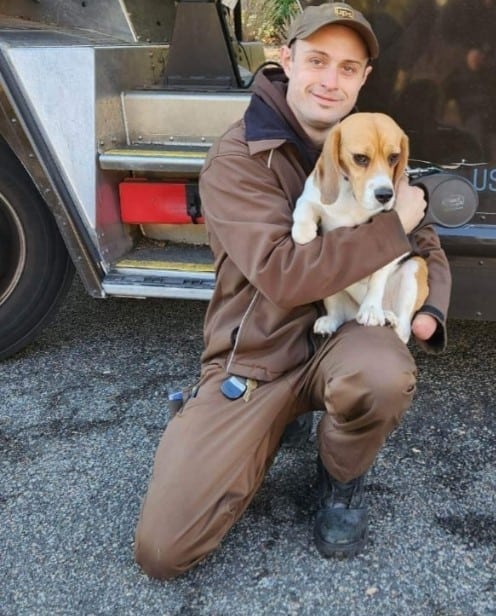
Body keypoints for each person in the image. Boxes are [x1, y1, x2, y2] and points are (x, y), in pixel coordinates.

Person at [134, 2, 451, 579]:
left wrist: (429, 304)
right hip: (259, 355)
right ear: (286, 59)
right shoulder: (238, 157)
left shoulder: (375, 139)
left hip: (346, 336)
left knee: (382, 374)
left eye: (349, 68)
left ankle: (341, 476)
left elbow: (419, 235)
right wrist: (391, 225)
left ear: (364, 79)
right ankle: (236, 427)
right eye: (318, 61)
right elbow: (284, 273)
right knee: (163, 551)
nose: (331, 81)